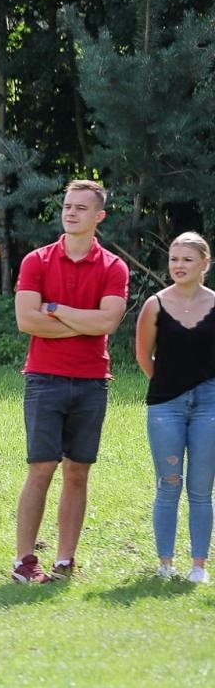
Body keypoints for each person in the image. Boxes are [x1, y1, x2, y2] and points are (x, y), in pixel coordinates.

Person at [10, 179, 129, 583]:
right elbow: (27, 320)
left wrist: (56, 310)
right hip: (44, 379)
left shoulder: (114, 267)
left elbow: (108, 322)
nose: (71, 212)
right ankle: (25, 562)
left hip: (92, 380)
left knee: (78, 471)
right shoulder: (36, 261)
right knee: (41, 467)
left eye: (81, 207)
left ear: (99, 216)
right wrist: (85, 322)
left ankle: (64, 561)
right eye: (67, 205)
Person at [133, 232, 215, 583]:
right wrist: (168, 386)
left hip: (210, 406)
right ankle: (165, 564)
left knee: (201, 488)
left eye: (187, 260)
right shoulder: (155, 304)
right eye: (173, 259)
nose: (178, 266)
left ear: (204, 264)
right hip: (165, 408)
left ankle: (198, 566)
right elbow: (142, 355)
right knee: (169, 483)